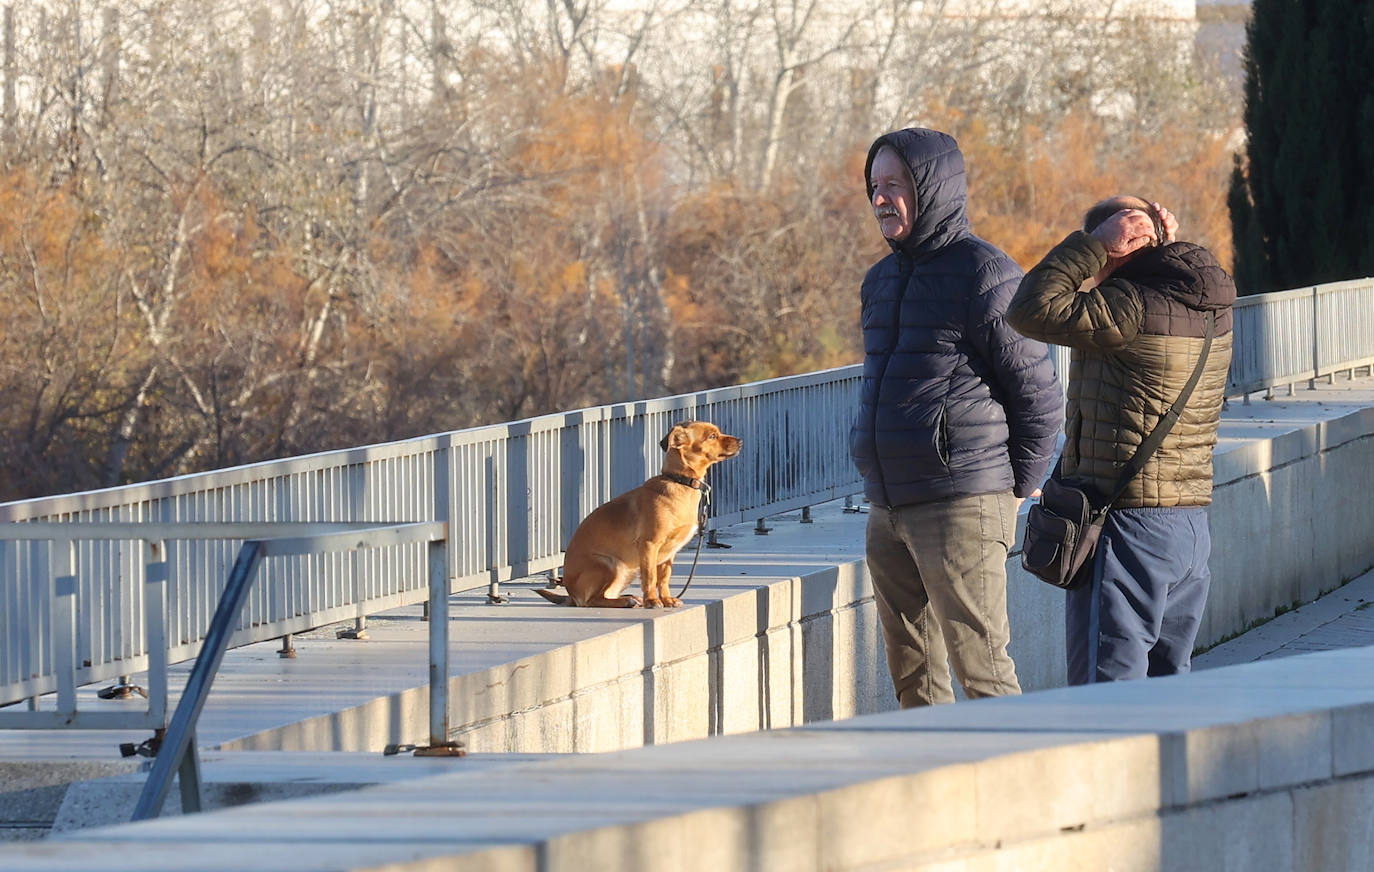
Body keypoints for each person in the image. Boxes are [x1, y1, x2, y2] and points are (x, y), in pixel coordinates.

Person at [850, 128, 1062, 707]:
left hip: (962, 500)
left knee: (984, 673)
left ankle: (1019, 793)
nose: (879, 199)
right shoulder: (879, 282)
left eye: (893, 184)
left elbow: (1040, 393)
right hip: (887, 503)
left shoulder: (984, 274)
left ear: (931, 187)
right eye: (874, 186)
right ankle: (934, 792)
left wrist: (1016, 488)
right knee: (913, 681)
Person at [1006, 196, 1235, 685]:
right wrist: (1158, 250)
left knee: (1107, 697)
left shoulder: (1129, 306)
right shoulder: (1210, 307)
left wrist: (1092, 246)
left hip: (1129, 525)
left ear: (1117, 249)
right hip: (1188, 525)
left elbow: (1030, 309)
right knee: (1167, 687)